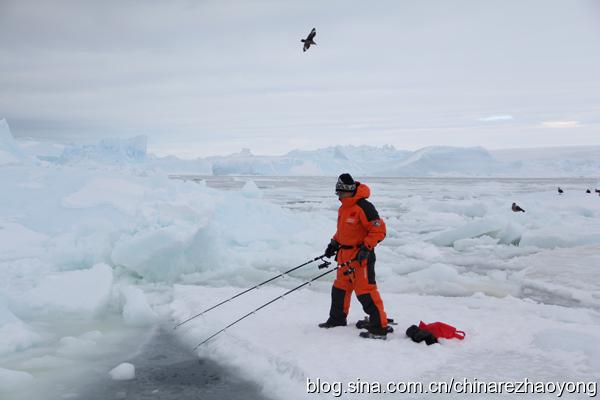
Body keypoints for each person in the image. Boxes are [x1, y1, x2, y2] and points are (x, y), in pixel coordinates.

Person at [320, 173, 389, 339]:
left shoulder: (364, 207)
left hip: (361, 257)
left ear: (348, 190)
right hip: (344, 255)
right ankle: (337, 319)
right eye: (337, 193)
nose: (338, 196)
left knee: (365, 291)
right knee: (339, 288)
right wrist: (334, 244)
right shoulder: (344, 207)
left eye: (340, 193)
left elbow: (379, 230)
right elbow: (344, 231)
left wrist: (366, 248)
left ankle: (379, 326)